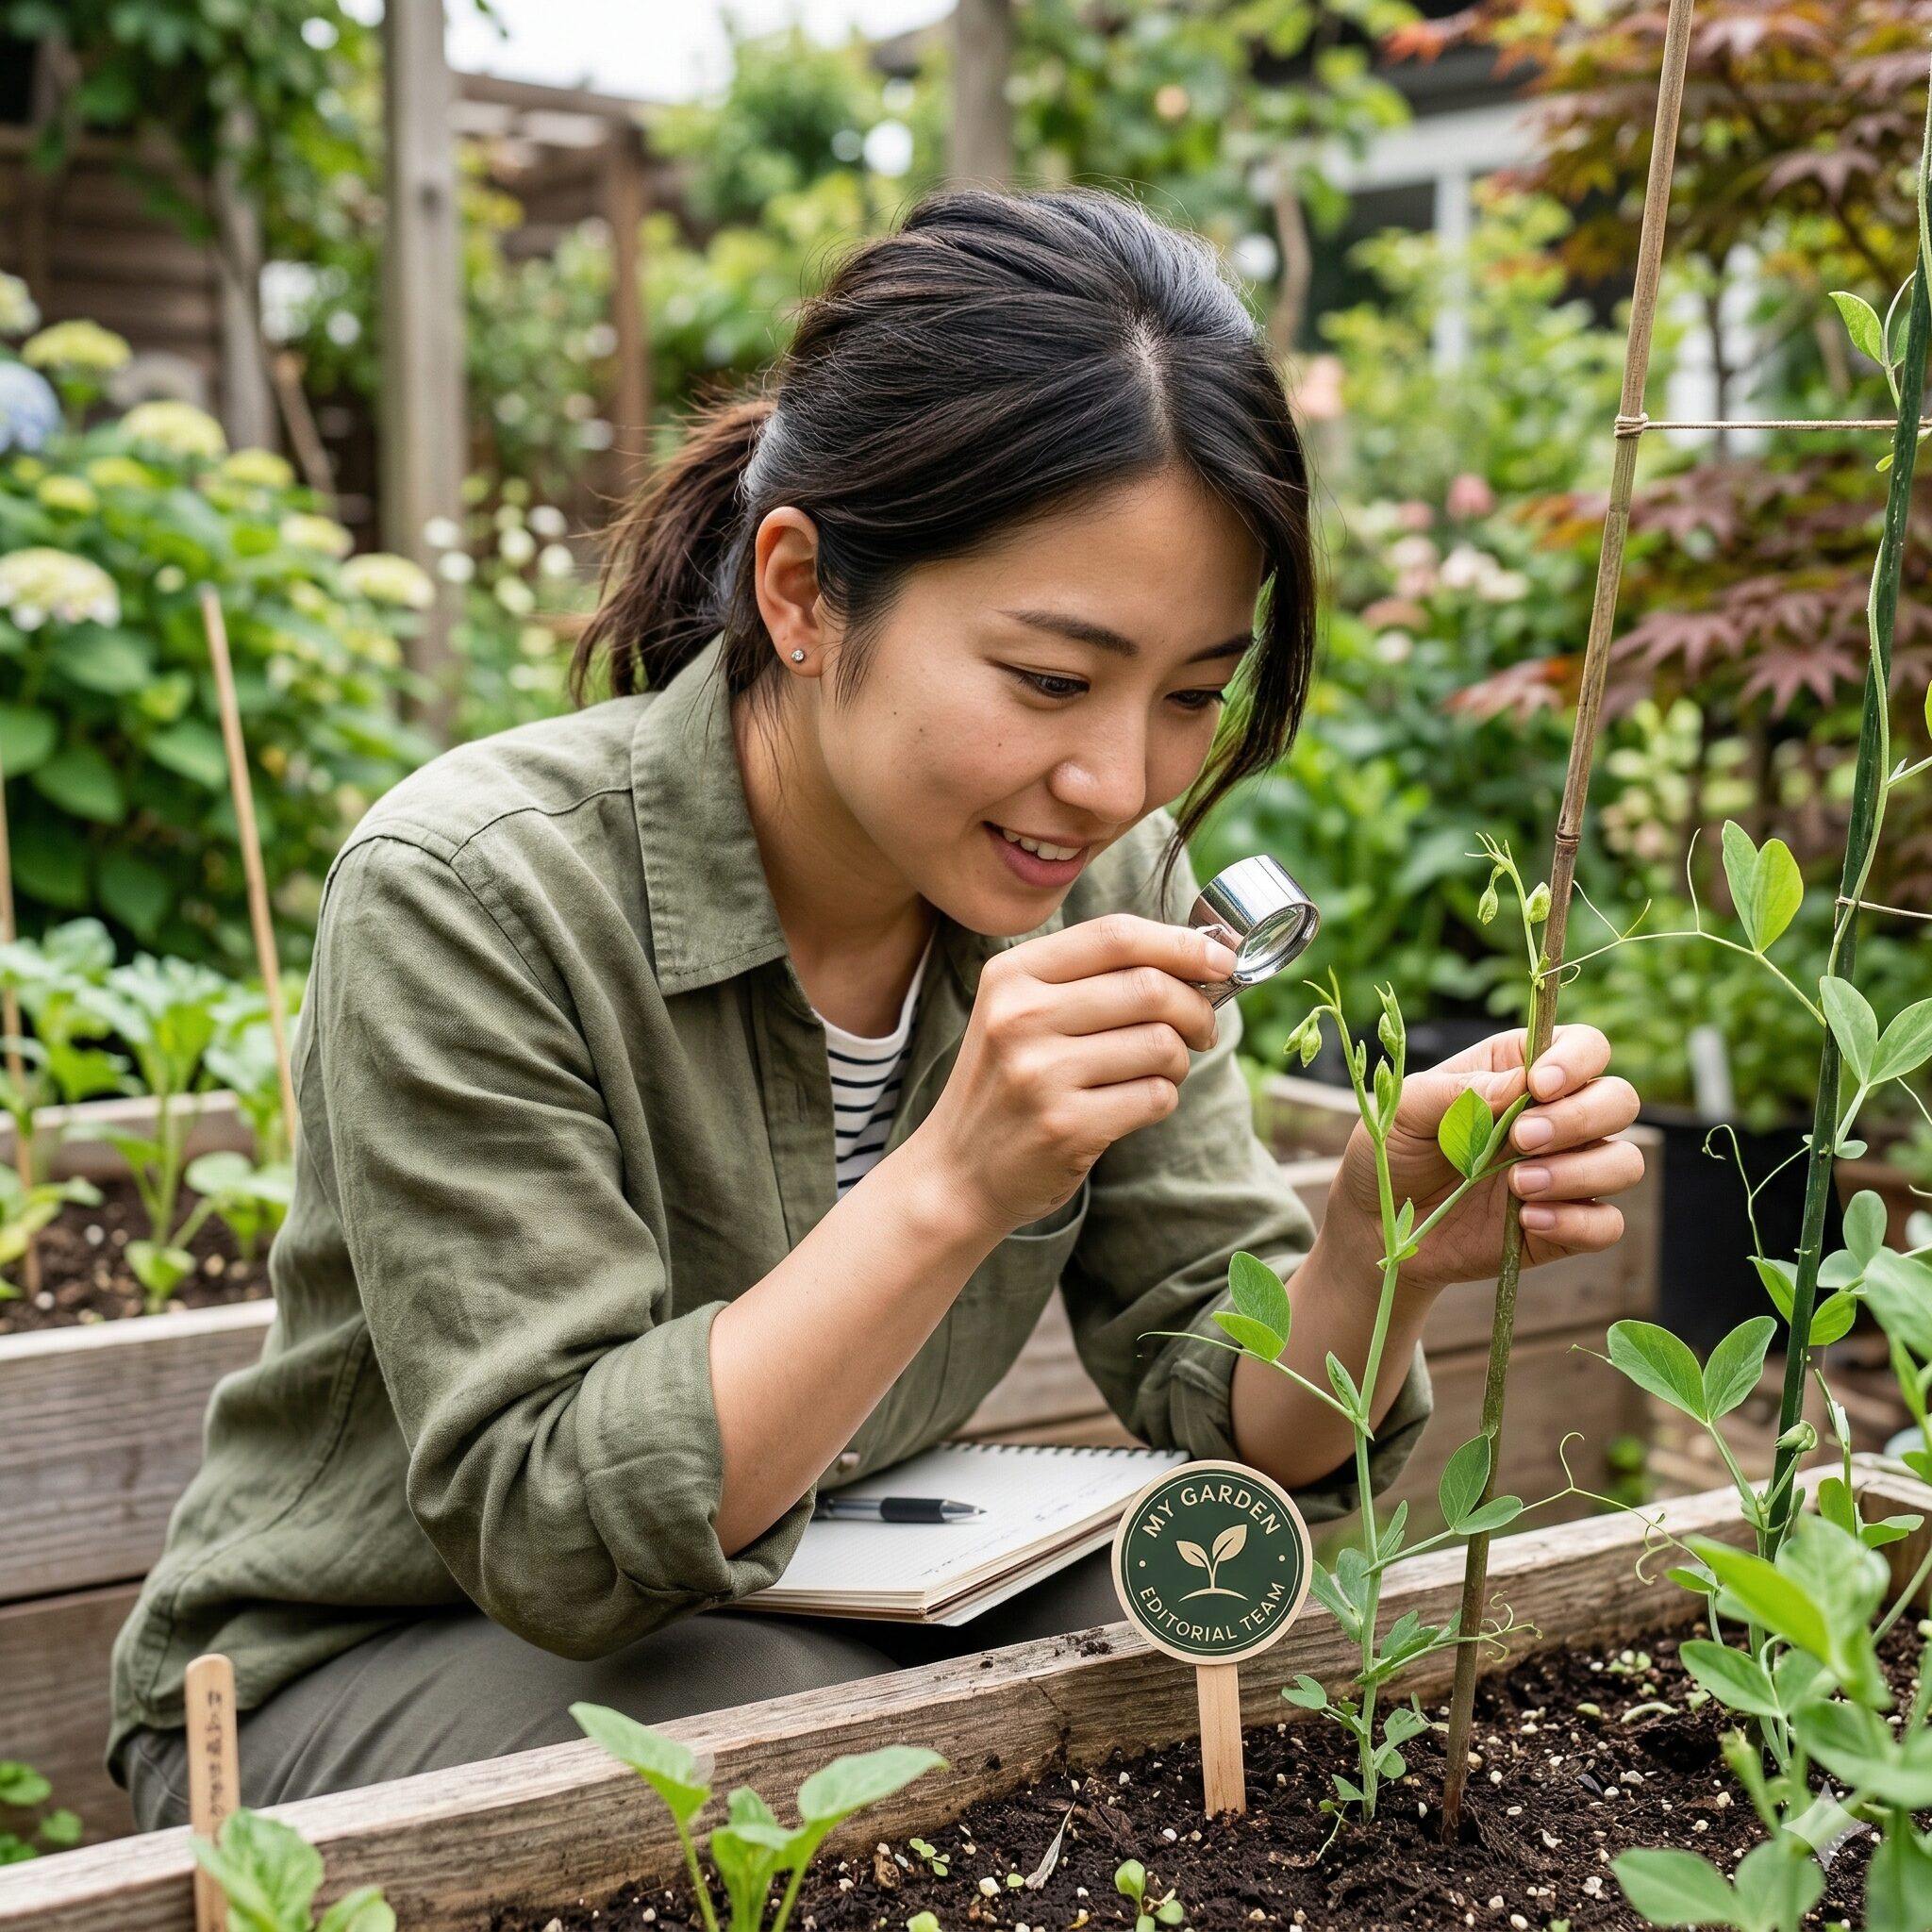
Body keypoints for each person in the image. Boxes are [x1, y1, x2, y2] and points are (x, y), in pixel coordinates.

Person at [110, 185, 1643, 1830]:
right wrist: (955, 1178)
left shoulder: (1096, 879)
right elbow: (553, 1524)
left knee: (1186, 1619)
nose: (1115, 777)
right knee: (816, 1738)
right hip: (364, 1662)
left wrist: (1371, 1246)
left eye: (1193, 694)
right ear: (801, 591)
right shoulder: (472, 893)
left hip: (795, 1616)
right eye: (1051, 679)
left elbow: (1230, 1410)